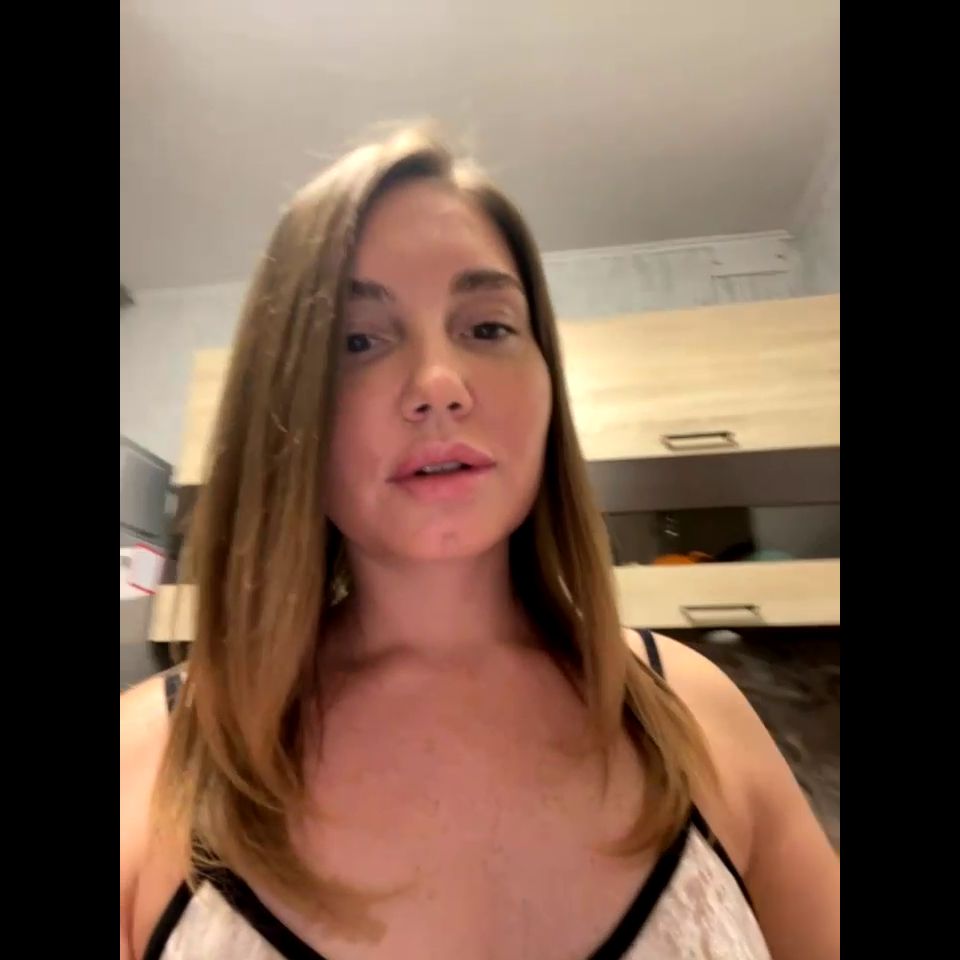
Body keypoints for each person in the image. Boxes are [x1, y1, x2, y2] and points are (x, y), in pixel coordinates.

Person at [120, 126, 840, 960]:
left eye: (488, 327)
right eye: (358, 340)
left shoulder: (698, 713)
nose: (439, 385)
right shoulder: (146, 759)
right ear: (288, 411)